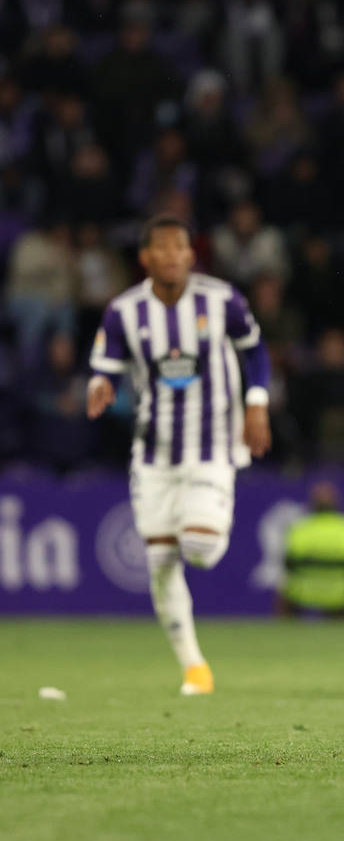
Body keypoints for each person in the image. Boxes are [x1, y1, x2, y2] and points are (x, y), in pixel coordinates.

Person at [87, 215, 272, 695]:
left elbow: (255, 351)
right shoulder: (123, 311)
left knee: (201, 549)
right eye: (162, 249)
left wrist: (256, 405)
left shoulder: (222, 299)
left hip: (212, 444)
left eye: (180, 248)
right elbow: (104, 365)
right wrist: (100, 385)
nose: (172, 256)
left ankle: (214, 515)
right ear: (146, 257)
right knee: (161, 564)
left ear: (192, 255)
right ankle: (195, 668)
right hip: (154, 453)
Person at [278, 481, 344, 617]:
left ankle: (283, 633)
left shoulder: (299, 529)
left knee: (283, 590)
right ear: (336, 503)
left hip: (303, 593)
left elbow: (288, 565)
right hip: (339, 596)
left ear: (313, 504)